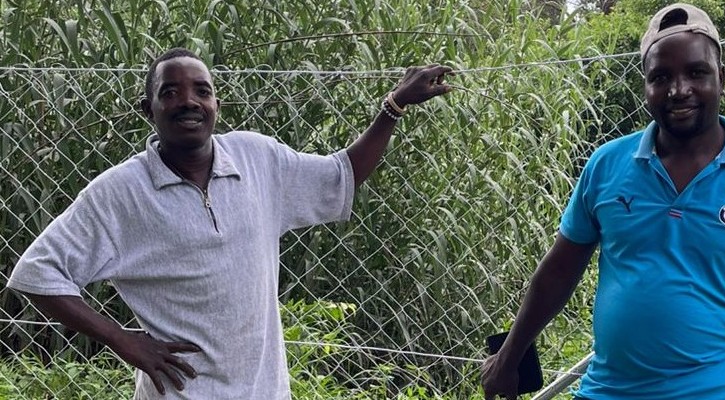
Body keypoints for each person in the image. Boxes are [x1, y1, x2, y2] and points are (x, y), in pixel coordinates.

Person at [6, 47, 452, 399]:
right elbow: (35, 273)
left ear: (216, 103)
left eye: (201, 90)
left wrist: (393, 106)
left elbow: (342, 174)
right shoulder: (120, 193)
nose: (188, 102)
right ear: (148, 108)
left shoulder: (258, 158)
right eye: (170, 92)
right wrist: (124, 341)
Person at [481, 3, 725, 400]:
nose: (678, 90)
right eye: (661, 77)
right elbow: (557, 274)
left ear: (721, 78)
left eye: (695, 72)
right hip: (606, 391)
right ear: (646, 85)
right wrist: (510, 356)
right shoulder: (607, 165)